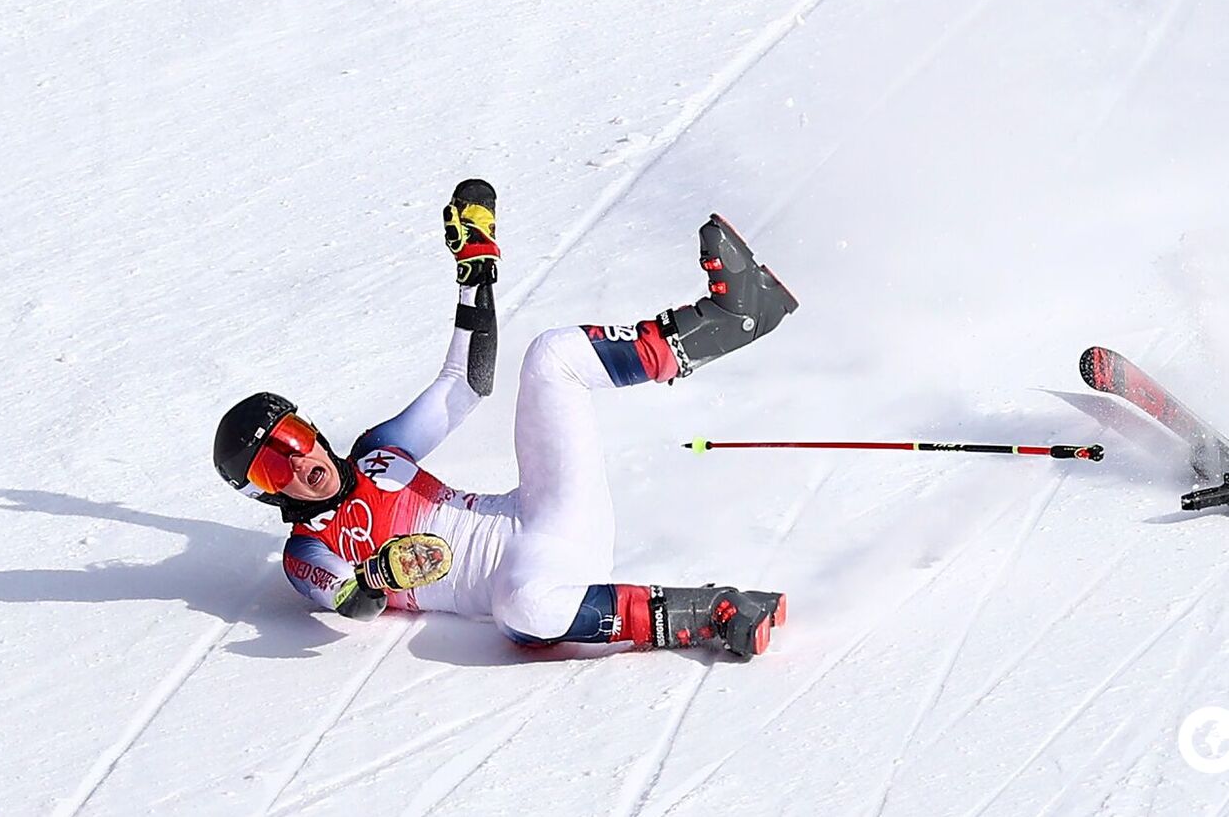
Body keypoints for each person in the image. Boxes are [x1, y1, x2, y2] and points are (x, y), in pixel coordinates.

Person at [212, 180, 797, 658]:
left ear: (310, 429)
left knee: (551, 357)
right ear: (262, 494)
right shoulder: (306, 551)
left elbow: (465, 385)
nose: (296, 462)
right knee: (521, 610)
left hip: (549, 514)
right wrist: (372, 580)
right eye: (269, 466)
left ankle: (728, 319)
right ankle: (717, 613)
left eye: (290, 438)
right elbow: (349, 604)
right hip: (529, 581)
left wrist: (477, 272)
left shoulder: (378, 453)